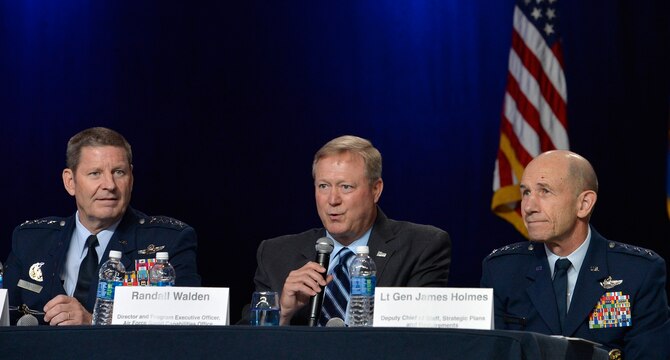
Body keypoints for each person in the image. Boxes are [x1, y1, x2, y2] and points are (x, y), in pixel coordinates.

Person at [481, 150, 669, 359]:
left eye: (544, 191)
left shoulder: (638, 272)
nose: (528, 207)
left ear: (584, 204)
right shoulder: (501, 270)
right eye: (526, 192)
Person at [4, 127, 201, 325]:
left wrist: (94, 323)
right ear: (70, 182)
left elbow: (182, 334)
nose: (110, 185)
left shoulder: (170, 241)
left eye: (119, 172)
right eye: (95, 173)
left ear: (131, 179)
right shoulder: (30, 240)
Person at [248, 135, 451, 325]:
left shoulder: (421, 247)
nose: (333, 200)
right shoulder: (275, 255)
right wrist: (281, 312)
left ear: (376, 190)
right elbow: (241, 343)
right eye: (323, 186)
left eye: (345, 187)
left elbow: (421, 338)